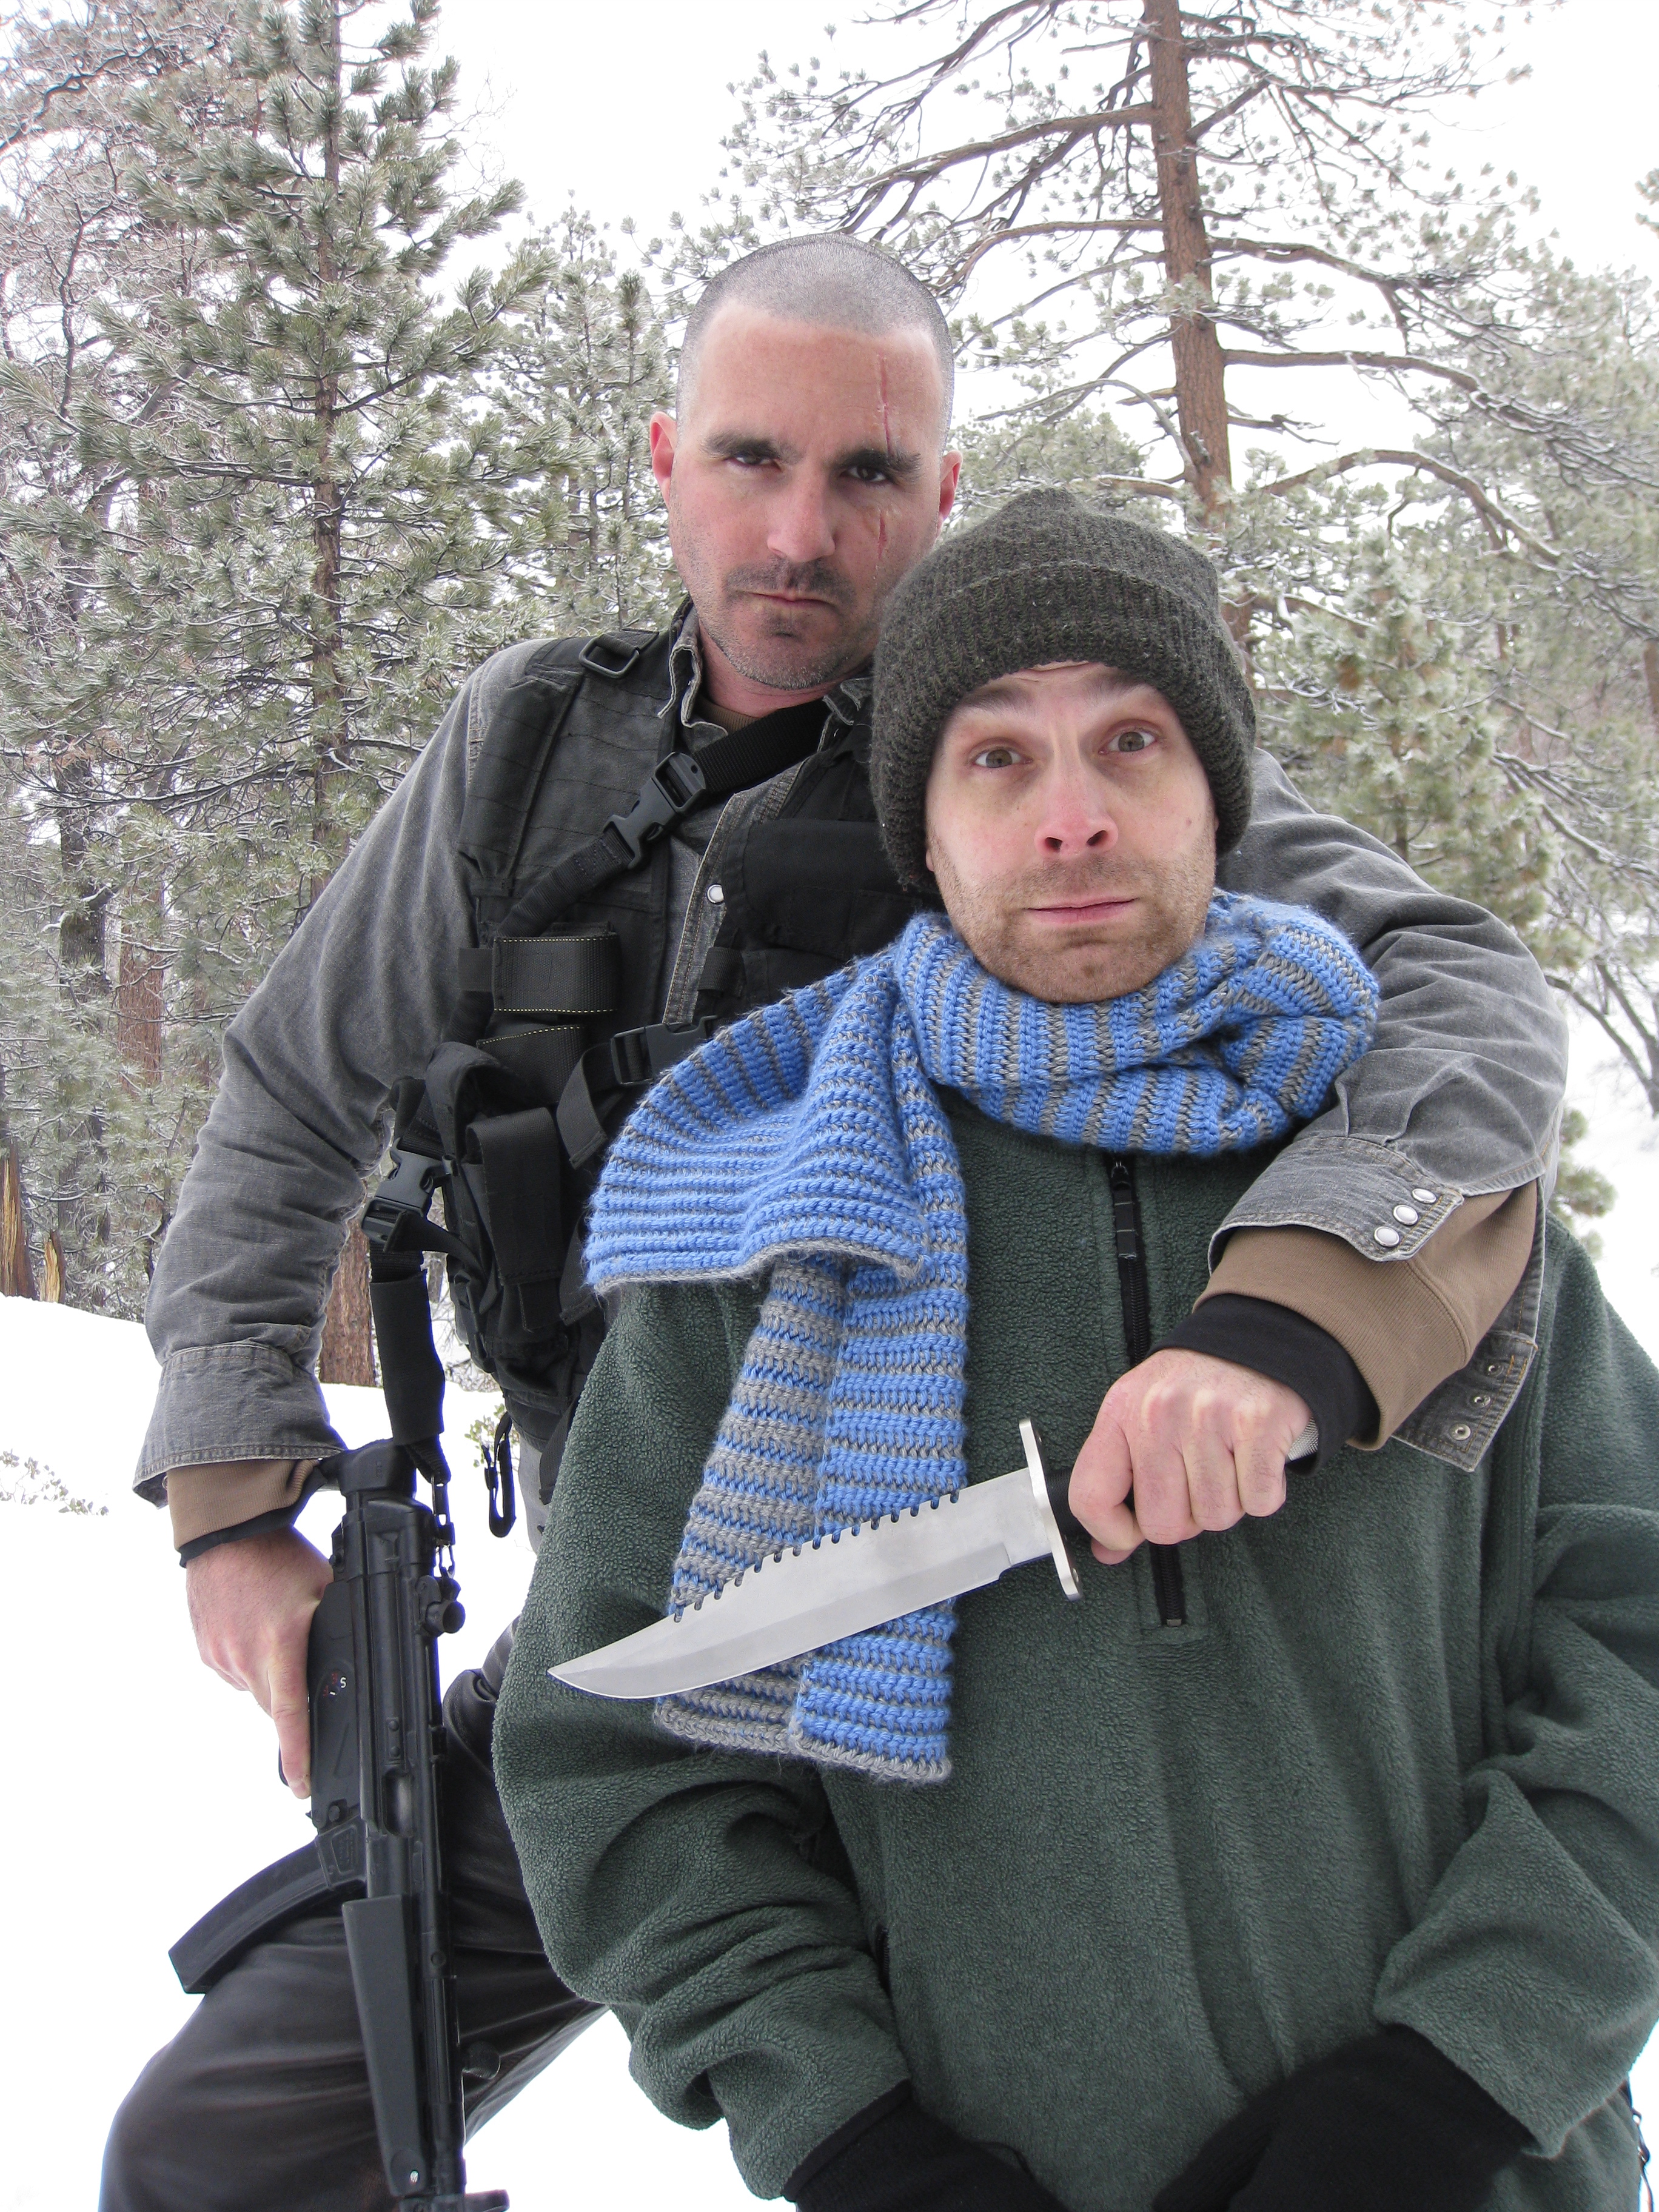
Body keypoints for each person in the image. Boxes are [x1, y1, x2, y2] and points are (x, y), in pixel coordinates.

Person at [104, 237, 1563, 2210]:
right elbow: (293, 1091)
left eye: (869, 476)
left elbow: (1457, 994)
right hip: (649, 1613)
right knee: (229, 2143)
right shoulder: (533, 747)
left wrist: (1283, 1322)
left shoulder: (1016, 735)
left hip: (998, 1612)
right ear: (665, 460)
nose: (800, 530)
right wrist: (232, 1497)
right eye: (751, 458)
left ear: (944, 492)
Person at [494, 491, 1659, 2212]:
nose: (1071, 820)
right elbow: (619, 1771)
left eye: (1133, 741)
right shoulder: (772, 1243)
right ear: (926, 827)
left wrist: (1448, 2089)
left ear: (1220, 793)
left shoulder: (1416, 1189)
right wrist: (856, 2142)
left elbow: (1637, 1654)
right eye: (996, 760)